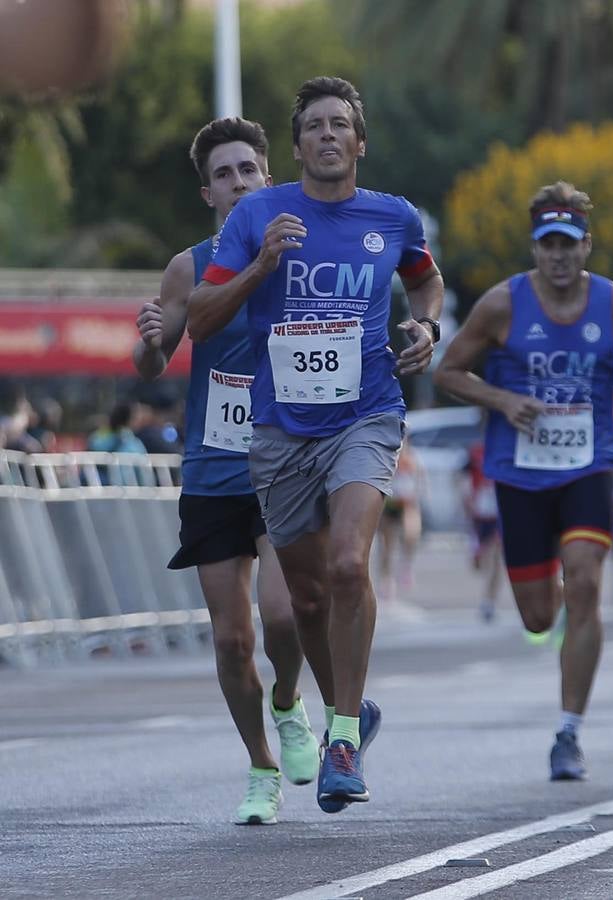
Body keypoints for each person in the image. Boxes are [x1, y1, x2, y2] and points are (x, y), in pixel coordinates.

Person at [189, 77, 444, 811]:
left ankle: (339, 741)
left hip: (364, 413)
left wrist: (426, 328)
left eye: (341, 125)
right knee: (303, 599)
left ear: (359, 143)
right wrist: (261, 266)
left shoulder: (393, 217)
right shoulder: (259, 215)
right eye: (314, 127)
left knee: (344, 565)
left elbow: (426, 284)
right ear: (296, 146)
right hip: (279, 433)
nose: (328, 135)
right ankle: (350, 715)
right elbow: (201, 319)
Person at [434, 181, 613, 780]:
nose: (558, 256)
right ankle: (560, 615)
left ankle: (569, 732)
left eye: (568, 244)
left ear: (587, 245)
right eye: (547, 246)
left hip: (588, 465)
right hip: (521, 473)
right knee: (540, 617)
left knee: (586, 581)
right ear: (534, 250)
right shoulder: (502, 305)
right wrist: (503, 399)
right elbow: (450, 371)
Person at [131, 116, 320, 825]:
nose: (238, 182)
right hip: (214, 466)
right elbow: (158, 358)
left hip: (284, 460)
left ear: (267, 176)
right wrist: (150, 345)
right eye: (223, 174)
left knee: (284, 611)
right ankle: (261, 766)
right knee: (233, 638)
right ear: (207, 191)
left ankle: (288, 703)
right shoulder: (190, 265)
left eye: (248, 169)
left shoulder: (303, 251)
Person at [461, 440, 505, 621]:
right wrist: (466, 500)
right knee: (480, 563)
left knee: (497, 557)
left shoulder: (507, 448)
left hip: (500, 512)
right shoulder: (475, 452)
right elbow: (462, 479)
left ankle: (489, 601)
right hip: (480, 512)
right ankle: (478, 552)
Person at [377, 435, 424, 600]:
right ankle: (386, 580)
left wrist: (416, 496)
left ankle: (406, 564)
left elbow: (420, 481)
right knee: (387, 547)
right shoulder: (387, 457)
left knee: (411, 534)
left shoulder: (412, 458)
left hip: (407, 504)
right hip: (390, 505)